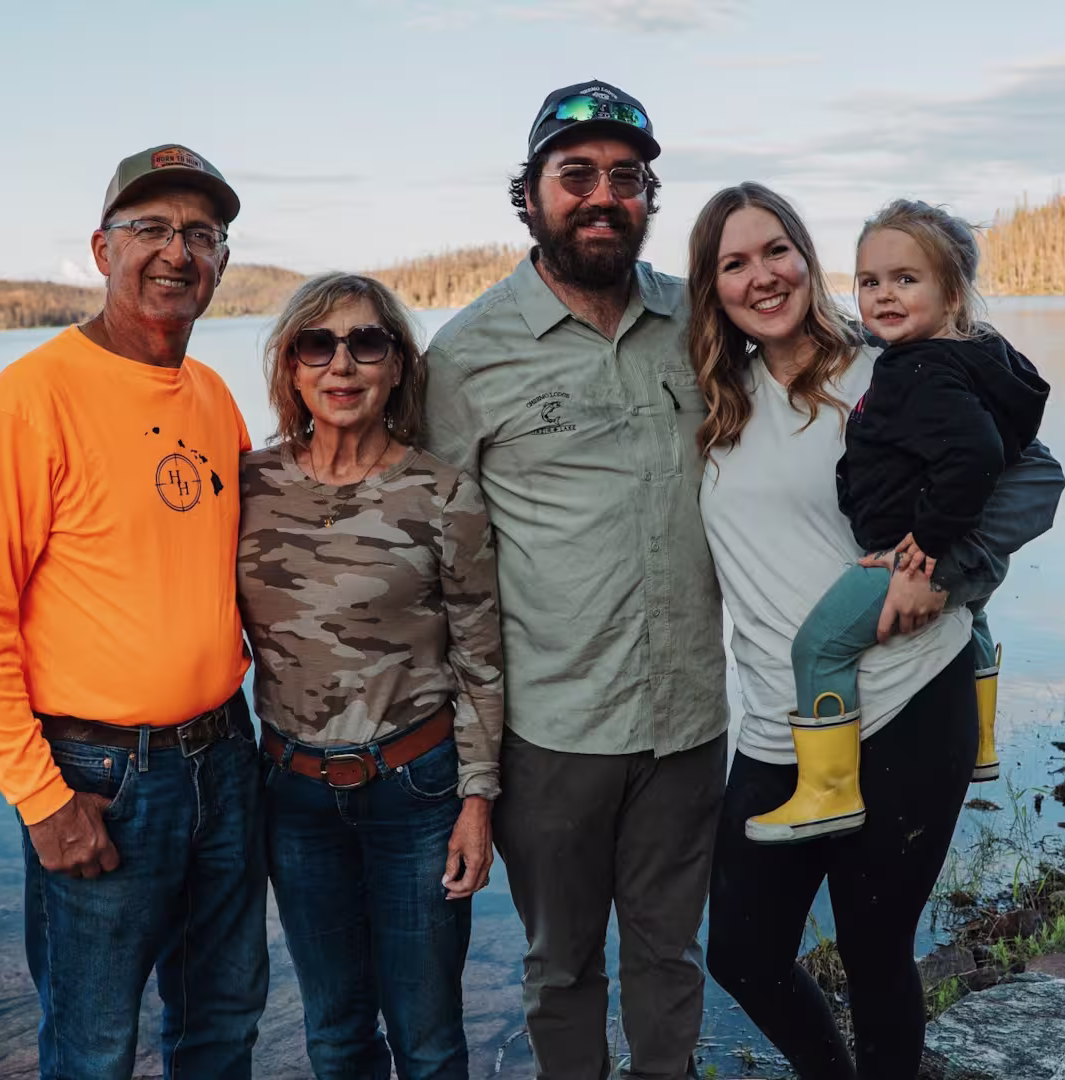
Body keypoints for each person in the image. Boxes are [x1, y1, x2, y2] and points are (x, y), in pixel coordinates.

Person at [689, 183, 1064, 1079]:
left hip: (908, 700)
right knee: (741, 952)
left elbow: (1035, 480)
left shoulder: (887, 365)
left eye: (776, 250)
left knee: (874, 947)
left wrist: (940, 573)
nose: (762, 276)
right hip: (783, 721)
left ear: (806, 257)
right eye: (734, 263)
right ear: (713, 285)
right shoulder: (710, 397)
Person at [0, 144, 265, 1079]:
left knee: (223, 1017)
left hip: (224, 758)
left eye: (202, 235)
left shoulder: (210, 396)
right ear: (100, 248)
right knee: (92, 1043)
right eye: (150, 229)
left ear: (224, 261)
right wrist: (40, 799)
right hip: (100, 779)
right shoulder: (28, 402)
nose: (177, 253)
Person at [421, 81, 726, 1080]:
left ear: (649, 198)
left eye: (627, 178)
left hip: (690, 723)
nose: (604, 196)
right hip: (552, 736)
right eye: (576, 174)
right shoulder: (467, 357)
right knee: (559, 970)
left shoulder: (708, 322)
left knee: (671, 956)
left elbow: (854, 396)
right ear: (529, 196)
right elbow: (429, 558)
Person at [237, 272, 505, 1079]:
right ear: (291, 367)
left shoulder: (442, 492)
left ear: (397, 366)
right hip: (293, 797)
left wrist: (478, 800)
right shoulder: (247, 486)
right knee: (335, 1032)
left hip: (416, 795)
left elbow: (481, 660)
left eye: (367, 342)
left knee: (426, 1039)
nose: (341, 365)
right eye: (317, 344)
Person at [747, 198, 1050, 843]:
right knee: (977, 621)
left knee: (820, 646)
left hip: (908, 556)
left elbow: (983, 457)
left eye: (906, 280)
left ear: (953, 290)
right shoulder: (973, 356)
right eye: (869, 282)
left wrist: (930, 550)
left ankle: (826, 791)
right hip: (935, 551)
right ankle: (983, 744)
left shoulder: (922, 368)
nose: (883, 295)